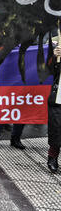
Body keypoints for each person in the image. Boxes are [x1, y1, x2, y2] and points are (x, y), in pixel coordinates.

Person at [47, 41, 60, 173]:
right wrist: (54, 58)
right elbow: (48, 71)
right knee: (56, 129)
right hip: (58, 96)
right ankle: (52, 157)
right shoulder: (58, 44)